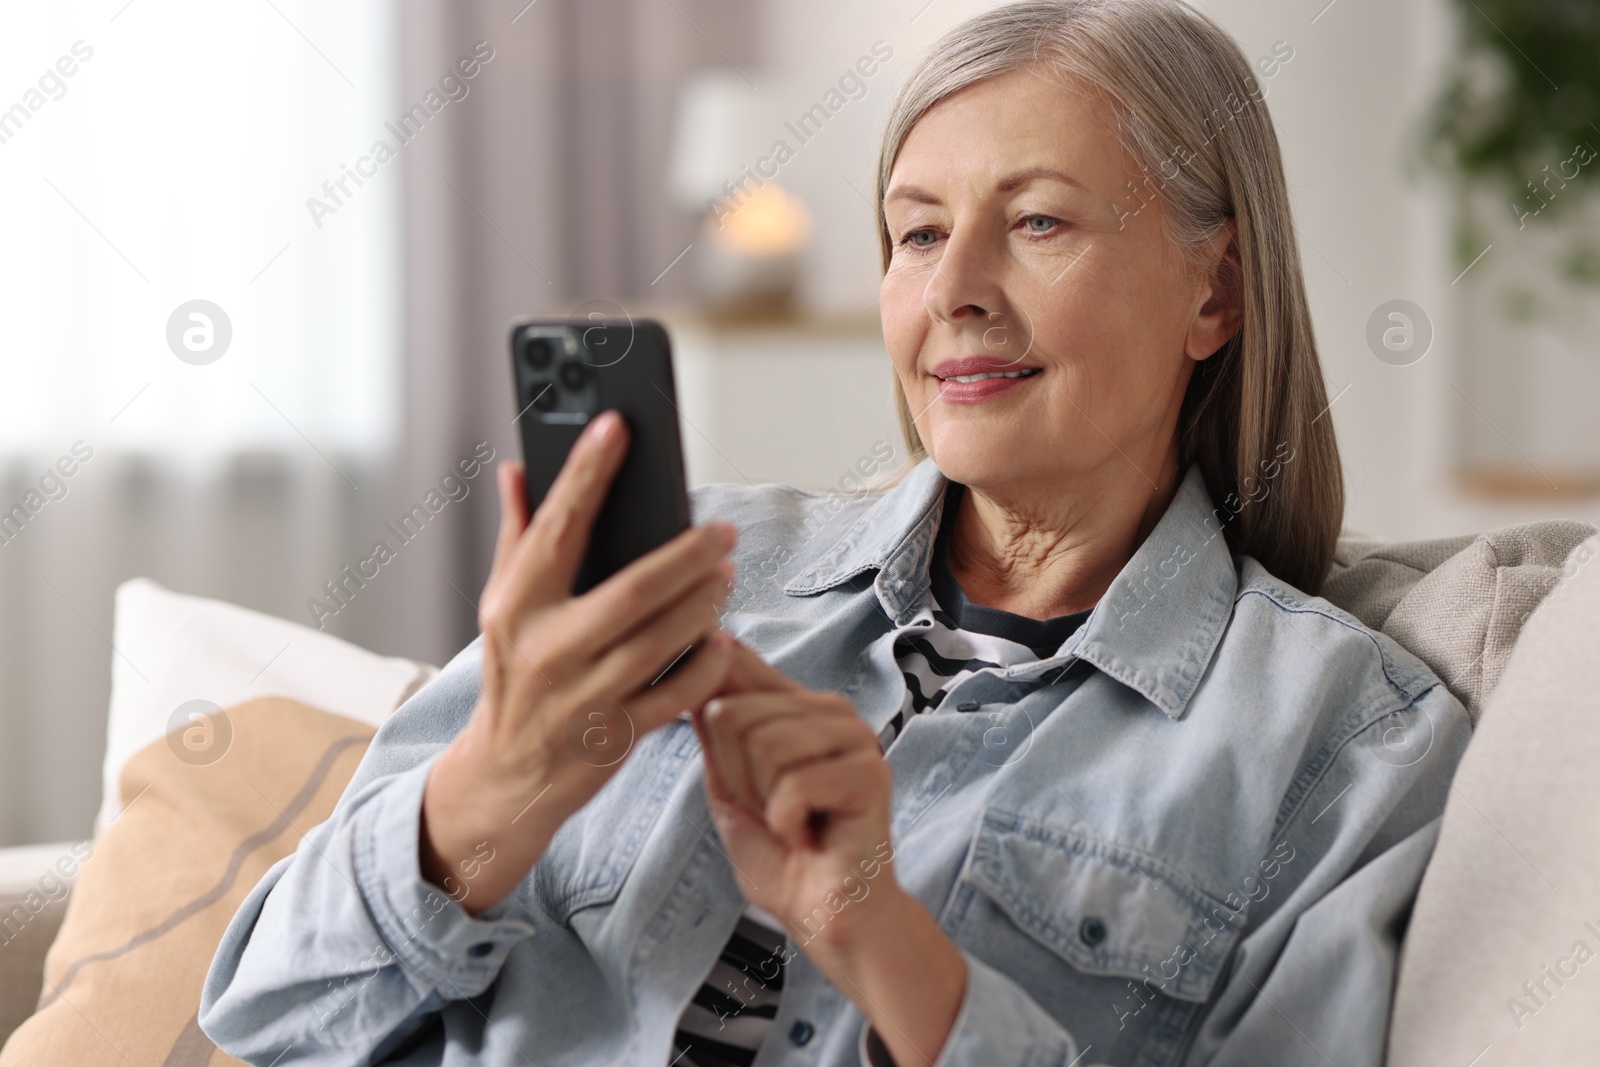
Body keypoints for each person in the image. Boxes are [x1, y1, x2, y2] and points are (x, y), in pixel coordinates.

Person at [200, 2, 1469, 1064]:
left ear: (1216, 291)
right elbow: (269, 1015)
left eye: (1036, 222)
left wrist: (882, 941)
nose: (954, 288)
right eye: (917, 232)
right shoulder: (690, 570)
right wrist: (497, 781)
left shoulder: (1346, 739)